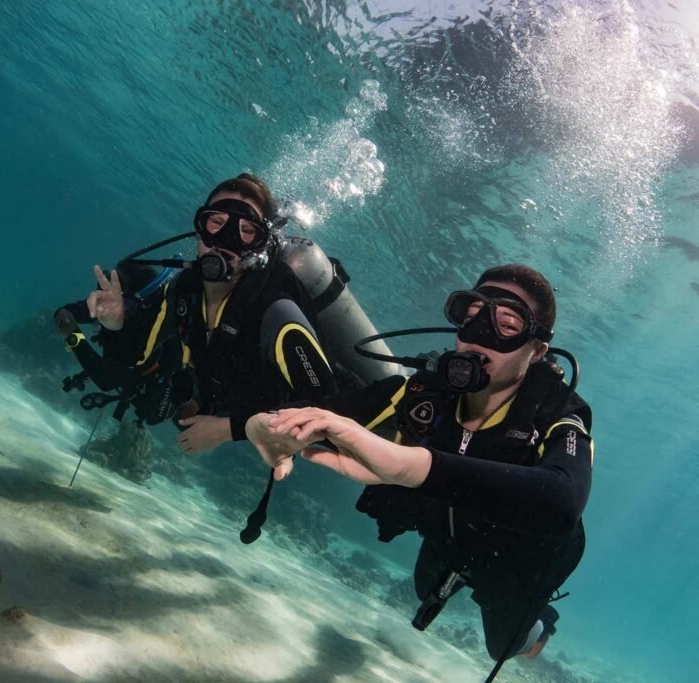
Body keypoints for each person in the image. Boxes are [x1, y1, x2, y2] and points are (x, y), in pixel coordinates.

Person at [246, 264, 594, 672]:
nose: (479, 334)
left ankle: (542, 625)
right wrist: (265, 425)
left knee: (506, 646)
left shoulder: (557, 411)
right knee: (423, 588)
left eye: (507, 323)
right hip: (445, 535)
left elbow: (564, 500)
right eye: (472, 316)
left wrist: (412, 466)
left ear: (537, 350)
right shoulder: (426, 392)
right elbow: (322, 415)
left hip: (514, 561)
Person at [70, 173, 338, 454]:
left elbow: (326, 408)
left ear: (259, 245)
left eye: (246, 230)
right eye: (217, 223)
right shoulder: (184, 290)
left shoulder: (274, 308)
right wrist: (116, 324)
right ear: (200, 230)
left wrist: (229, 429)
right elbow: (137, 359)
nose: (226, 240)